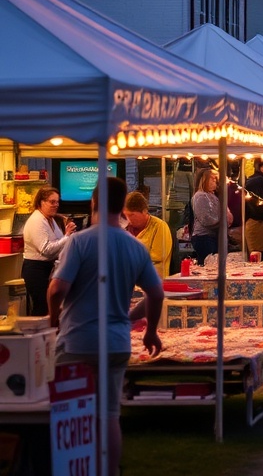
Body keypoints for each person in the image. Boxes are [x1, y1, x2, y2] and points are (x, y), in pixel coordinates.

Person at [47, 177, 163, 476]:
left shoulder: (79, 241)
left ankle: (75, 470)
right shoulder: (135, 246)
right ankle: (110, 470)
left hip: (78, 342)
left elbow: (57, 288)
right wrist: (149, 330)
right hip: (116, 342)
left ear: (93, 203)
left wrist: (53, 317)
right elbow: (156, 292)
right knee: (110, 414)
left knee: (73, 416)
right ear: (123, 207)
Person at [22, 186, 76, 315]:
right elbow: (46, 250)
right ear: (41, 202)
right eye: (52, 202)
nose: (56, 205)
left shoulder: (50, 219)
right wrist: (67, 236)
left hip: (48, 268)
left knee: (50, 307)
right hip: (36, 270)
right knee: (42, 307)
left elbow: (58, 243)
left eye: (57, 202)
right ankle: (37, 334)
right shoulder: (36, 221)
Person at [123, 191, 173, 278]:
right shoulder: (124, 229)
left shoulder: (159, 227)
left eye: (132, 215)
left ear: (144, 211)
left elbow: (156, 259)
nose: (128, 219)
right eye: (125, 216)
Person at [189, 167, 232, 265]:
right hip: (204, 237)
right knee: (209, 265)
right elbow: (206, 219)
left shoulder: (213, 196)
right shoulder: (200, 196)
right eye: (211, 178)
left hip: (213, 236)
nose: (214, 180)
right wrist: (223, 221)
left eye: (215, 178)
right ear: (204, 180)